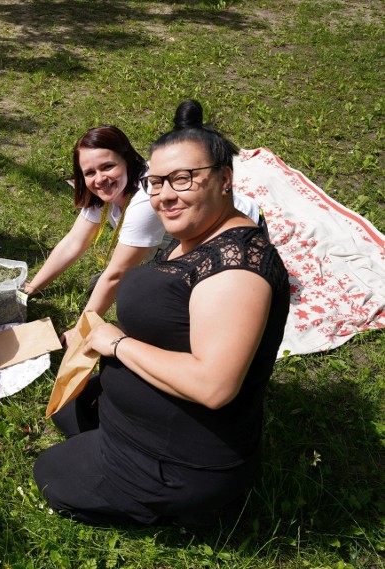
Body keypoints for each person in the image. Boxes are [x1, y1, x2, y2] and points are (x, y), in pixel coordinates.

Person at [33, 100, 290, 525]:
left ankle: (173, 495)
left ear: (224, 179)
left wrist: (117, 344)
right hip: (150, 409)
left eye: (183, 179)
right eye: (155, 183)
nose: (165, 195)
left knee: (51, 475)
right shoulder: (194, 232)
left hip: (186, 460)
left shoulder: (237, 266)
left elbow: (214, 386)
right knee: (66, 408)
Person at [23, 126, 262, 344]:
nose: (99, 179)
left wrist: (80, 330)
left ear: (127, 160)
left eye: (108, 167)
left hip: (229, 233)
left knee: (155, 304)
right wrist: (31, 288)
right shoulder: (103, 189)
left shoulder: (146, 201)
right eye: (89, 172)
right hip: (180, 238)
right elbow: (75, 241)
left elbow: (115, 275)